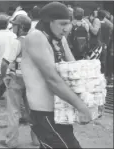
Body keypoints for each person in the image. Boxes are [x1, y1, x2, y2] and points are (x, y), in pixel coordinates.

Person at [22, 2, 92, 148]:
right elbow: (52, 79)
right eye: (62, 24)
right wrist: (81, 106)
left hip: (58, 109)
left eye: (68, 24)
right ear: (49, 21)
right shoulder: (36, 37)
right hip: (42, 111)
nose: (66, 29)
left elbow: (73, 69)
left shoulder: (60, 39)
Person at [0, 14, 39, 148]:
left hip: (16, 80)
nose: (12, 27)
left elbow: (5, 63)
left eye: (14, 25)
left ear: (20, 27)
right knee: (33, 111)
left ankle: (11, 142)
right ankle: (37, 140)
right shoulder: (33, 41)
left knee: (14, 112)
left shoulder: (15, 42)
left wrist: (4, 77)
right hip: (31, 80)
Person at [97, 10, 113, 76]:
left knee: (97, 60)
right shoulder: (107, 25)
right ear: (104, 17)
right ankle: (103, 74)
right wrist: (106, 44)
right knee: (103, 60)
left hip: (96, 45)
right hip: (104, 45)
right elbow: (107, 37)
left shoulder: (96, 24)